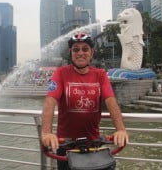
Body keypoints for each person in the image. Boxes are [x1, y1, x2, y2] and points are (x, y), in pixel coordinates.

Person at [41, 33, 129, 169]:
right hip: (66, 146)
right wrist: (46, 132)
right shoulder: (61, 73)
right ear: (71, 53)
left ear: (91, 53)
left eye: (85, 49)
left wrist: (121, 130)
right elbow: (50, 101)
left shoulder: (100, 75)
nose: (80, 53)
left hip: (93, 144)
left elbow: (111, 101)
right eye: (76, 49)